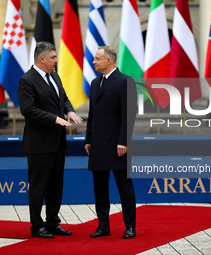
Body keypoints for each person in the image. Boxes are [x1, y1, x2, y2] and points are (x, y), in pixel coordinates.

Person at [18, 41, 83, 238]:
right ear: (42, 58)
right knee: (38, 187)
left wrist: (69, 111)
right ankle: (37, 226)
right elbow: (27, 110)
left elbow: (63, 98)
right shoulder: (27, 80)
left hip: (57, 142)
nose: (56, 60)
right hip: (38, 144)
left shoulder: (54, 76)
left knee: (56, 185)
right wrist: (54, 118)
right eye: (53, 57)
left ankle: (53, 222)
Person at [85, 46, 137, 239]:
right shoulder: (94, 83)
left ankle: (130, 226)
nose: (93, 62)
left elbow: (128, 115)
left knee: (124, 187)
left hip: (117, 145)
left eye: (97, 59)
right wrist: (89, 139)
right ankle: (103, 226)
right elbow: (93, 115)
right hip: (98, 144)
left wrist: (123, 141)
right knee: (99, 187)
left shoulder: (125, 81)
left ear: (109, 60)